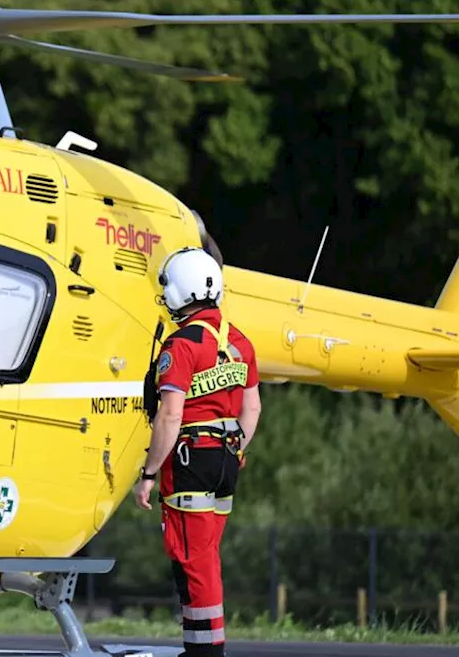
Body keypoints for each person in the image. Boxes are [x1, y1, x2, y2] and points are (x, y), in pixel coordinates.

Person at [134, 246, 262, 657]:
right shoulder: (240, 342)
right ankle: (201, 644)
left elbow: (171, 417)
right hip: (227, 459)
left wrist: (149, 473)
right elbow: (253, 407)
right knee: (205, 556)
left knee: (194, 561)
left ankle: (206, 651)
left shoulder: (183, 345)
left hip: (190, 461)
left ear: (180, 291)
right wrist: (235, 447)